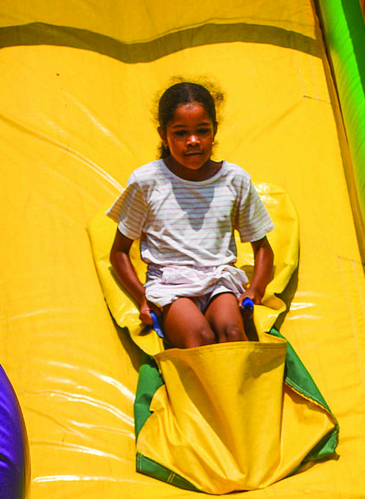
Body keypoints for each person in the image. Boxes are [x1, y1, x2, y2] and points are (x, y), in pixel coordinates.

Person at [107, 81, 274, 349]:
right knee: (201, 338)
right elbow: (119, 252)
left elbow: (263, 248)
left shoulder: (235, 180)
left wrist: (255, 290)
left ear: (214, 131)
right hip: (171, 285)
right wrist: (143, 297)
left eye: (202, 131)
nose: (193, 141)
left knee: (232, 333)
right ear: (164, 136)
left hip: (218, 281)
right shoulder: (147, 181)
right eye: (181, 133)